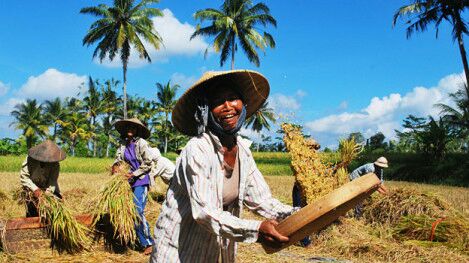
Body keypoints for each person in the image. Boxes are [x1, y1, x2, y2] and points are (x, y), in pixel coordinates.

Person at [150, 70, 299, 263]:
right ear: (206, 110)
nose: (228, 107)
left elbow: (261, 201)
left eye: (233, 98)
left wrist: (300, 214)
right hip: (177, 250)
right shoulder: (198, 149)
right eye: (218, 101)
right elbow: (205, 212)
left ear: (243, 104)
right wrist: (257, 230)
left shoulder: (243, 152)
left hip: (209, 249)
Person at [112, 118, 174, 255]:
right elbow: (118, 159)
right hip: (127, 182)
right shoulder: (122, 145)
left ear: (137, 130)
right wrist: (115, 167)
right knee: (129, 211)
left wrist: (134, 174)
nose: (130, 130)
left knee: (137, 211)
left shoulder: (141, 143)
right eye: (128, 127)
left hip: (141, 180)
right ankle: (133, 238)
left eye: (133, 128)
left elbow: (148, 163)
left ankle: (148, 242)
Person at [20, 140, 66, 217]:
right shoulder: (29, 159)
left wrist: (47, 195)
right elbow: (24, 177)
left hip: (48, 187)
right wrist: (35, 189)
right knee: (32, 209)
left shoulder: (55, 164)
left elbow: (52, 180)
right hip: (31, 187)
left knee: (55, 208)